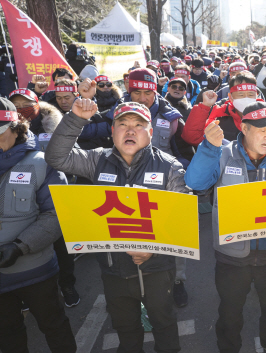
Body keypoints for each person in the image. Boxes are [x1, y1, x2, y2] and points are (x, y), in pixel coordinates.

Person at [45, 100, 188, 353]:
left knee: (164, 324)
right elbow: (56, 157)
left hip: (156, 268)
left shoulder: (169, 165)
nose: (130, 131)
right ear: (112, 131)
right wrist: (76, 118)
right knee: (125, 328)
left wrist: (152, 249)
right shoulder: (97, 160)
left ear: (150, 133)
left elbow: (181, 219)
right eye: (122, 124)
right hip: (113, 269)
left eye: (138, 125)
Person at [184, 101, 266, 353]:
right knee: (230, 314)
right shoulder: (221, 153)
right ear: (244, 128)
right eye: (261, 129)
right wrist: (209, 148)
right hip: (232, 256)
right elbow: (195, 183)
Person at [0, 97, 76, 352]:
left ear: (15, 127)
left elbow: (56, 215)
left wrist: (20, 247)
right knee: (8, 334)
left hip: (36, 270)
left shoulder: (42, 164)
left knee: (54, 326)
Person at [181, 72, 266, 155]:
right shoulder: (219, 116)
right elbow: (192, 138)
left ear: (257, 96)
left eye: (251, 95)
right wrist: (205, 107)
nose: (246, 99)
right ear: (230, 97)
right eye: (241, 95)